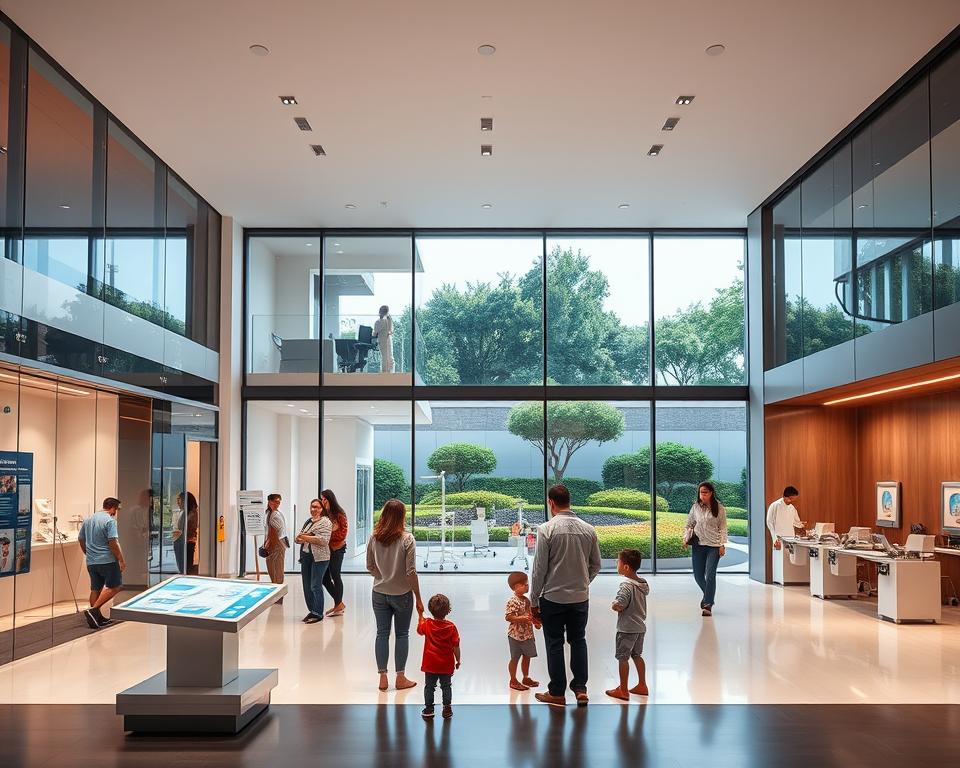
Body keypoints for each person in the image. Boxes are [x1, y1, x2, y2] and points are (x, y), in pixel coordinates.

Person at [530, 484, 601, 707]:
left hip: (552, 597)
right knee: (578, 640)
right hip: (580, 598)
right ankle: (581, 689)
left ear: (551, 502)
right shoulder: (588, 529)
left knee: (554, 643)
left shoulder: (546, 529)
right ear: (569, 501)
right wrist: (582, 582)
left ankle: (557, 692)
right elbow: (596, 565)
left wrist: (533, 599)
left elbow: (539, 568)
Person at [366, 499, 424, 692]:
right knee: (401, 634)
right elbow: (411, 572)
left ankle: (382, 678)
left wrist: (382, 576)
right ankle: (400, 678)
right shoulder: (408, 539)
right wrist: (418, 597)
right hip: (402, 594)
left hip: (379, 592)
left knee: (381, 634)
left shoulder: (374, 537)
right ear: (402, 516)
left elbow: (369, 566)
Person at [605, 549, 650, 701]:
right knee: (637, 655)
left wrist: (614, 604)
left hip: (626, 628)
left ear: (625, 567)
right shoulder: (642, 584)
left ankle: (623, 690)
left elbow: (621, 603)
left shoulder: (626, 585)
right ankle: (642, 685)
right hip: (640, 627)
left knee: (622, 658)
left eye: (618, 562)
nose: (616, 564)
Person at [77, 497, 126, 629]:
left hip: (91, 561)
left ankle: (96, 617)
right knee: (115, 586)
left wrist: (88, 553)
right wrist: (120, 559)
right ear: (113, 508)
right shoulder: (110, 521)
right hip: (107, 560)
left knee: (95, 589)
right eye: (117, 509)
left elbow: (81, 539)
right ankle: (93, 610)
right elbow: (112, 542)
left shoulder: (88, 519)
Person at [683, 481, 728, 617]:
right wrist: (685, 538)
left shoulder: (719, 508)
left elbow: (723, 528)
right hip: (698, 545)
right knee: (698, 576)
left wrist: (722, 544)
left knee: (710, 575)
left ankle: (707, 604)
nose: (702, 495)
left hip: (713, 546)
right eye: (701, 492)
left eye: (705, 492)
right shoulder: (695, 507)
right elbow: (689, 524)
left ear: (711, 493)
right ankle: (709, 597)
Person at [417, 593, 461, 719]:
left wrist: (420, 615)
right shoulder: (451, 627)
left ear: (430, 609)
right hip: (446, 664)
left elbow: (419, 631)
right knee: (446, 686)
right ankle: (447, 708)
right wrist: (458, 660)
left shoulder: (427, 624)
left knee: (429, 687)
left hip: (430, 663)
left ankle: (429, 708)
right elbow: (456, 646)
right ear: (448, 610)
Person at [295, 498, 333, 624]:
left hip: (320, 558)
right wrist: (299, 539)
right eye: (312, 506)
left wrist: (304, 537)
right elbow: (301, 536)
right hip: (306, 556)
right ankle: (312, 610)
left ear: (322, 509)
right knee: (307, 586)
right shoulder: (308, 521)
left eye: (316, 507)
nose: (313, 509)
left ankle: (318, 613)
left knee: (315, 585)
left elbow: (323, 540)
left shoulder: (326, 522)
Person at [505, 571, 540, 691]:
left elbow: (530, 615)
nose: (527, 586)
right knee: (515, 657)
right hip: (515, 635)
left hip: (527, 634)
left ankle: (526, 677)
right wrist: (521, 618)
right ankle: (513, 680)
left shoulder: (527, 600)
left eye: (527, 584)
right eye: (524, 584)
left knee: (527, 656)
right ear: (516, 587)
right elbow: (508, 617)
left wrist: (535, 623)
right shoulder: (513, 601)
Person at [320, 488, 349, 617]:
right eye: (322, 499)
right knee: (324, 578)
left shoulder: (339, 514)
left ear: (330, 499)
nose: (323, 501)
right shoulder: (324, 514)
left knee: (335, 575)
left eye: (325, 499)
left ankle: (338, 605)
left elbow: (342, 534)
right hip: (326, 549)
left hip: (337, 549)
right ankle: (339, 603)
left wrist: (328, 535)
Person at [263, 493, 288, 590]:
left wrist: (268, 545)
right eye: (275, 502)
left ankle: (278, 593)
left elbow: (274, 533)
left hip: (276, 544)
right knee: (273, 568)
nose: (277, 504)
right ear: (270, 502)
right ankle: (276, 591)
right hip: (275, 543)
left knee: (276, 569)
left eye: (279, 502)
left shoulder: (275, 514)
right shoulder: (270, 513)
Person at [172, 491, 199, 575]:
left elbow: (188, 529)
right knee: (184, 567)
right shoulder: (184, 512)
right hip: (182, 541)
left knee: (186, 568)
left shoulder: (192, 513)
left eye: (179, 500)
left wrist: (180, 534)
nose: (178, 503)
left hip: (187, 543)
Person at [373, 305, 393, 373]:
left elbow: (375, 333)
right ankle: (391, 372)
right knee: (390, 356)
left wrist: (373, 334)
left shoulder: (378, 322)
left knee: (384, 357)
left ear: (380, 312)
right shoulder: (389, 320)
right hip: (388, 339)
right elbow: (391, 330)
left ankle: (385, 372)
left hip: (382, 340)